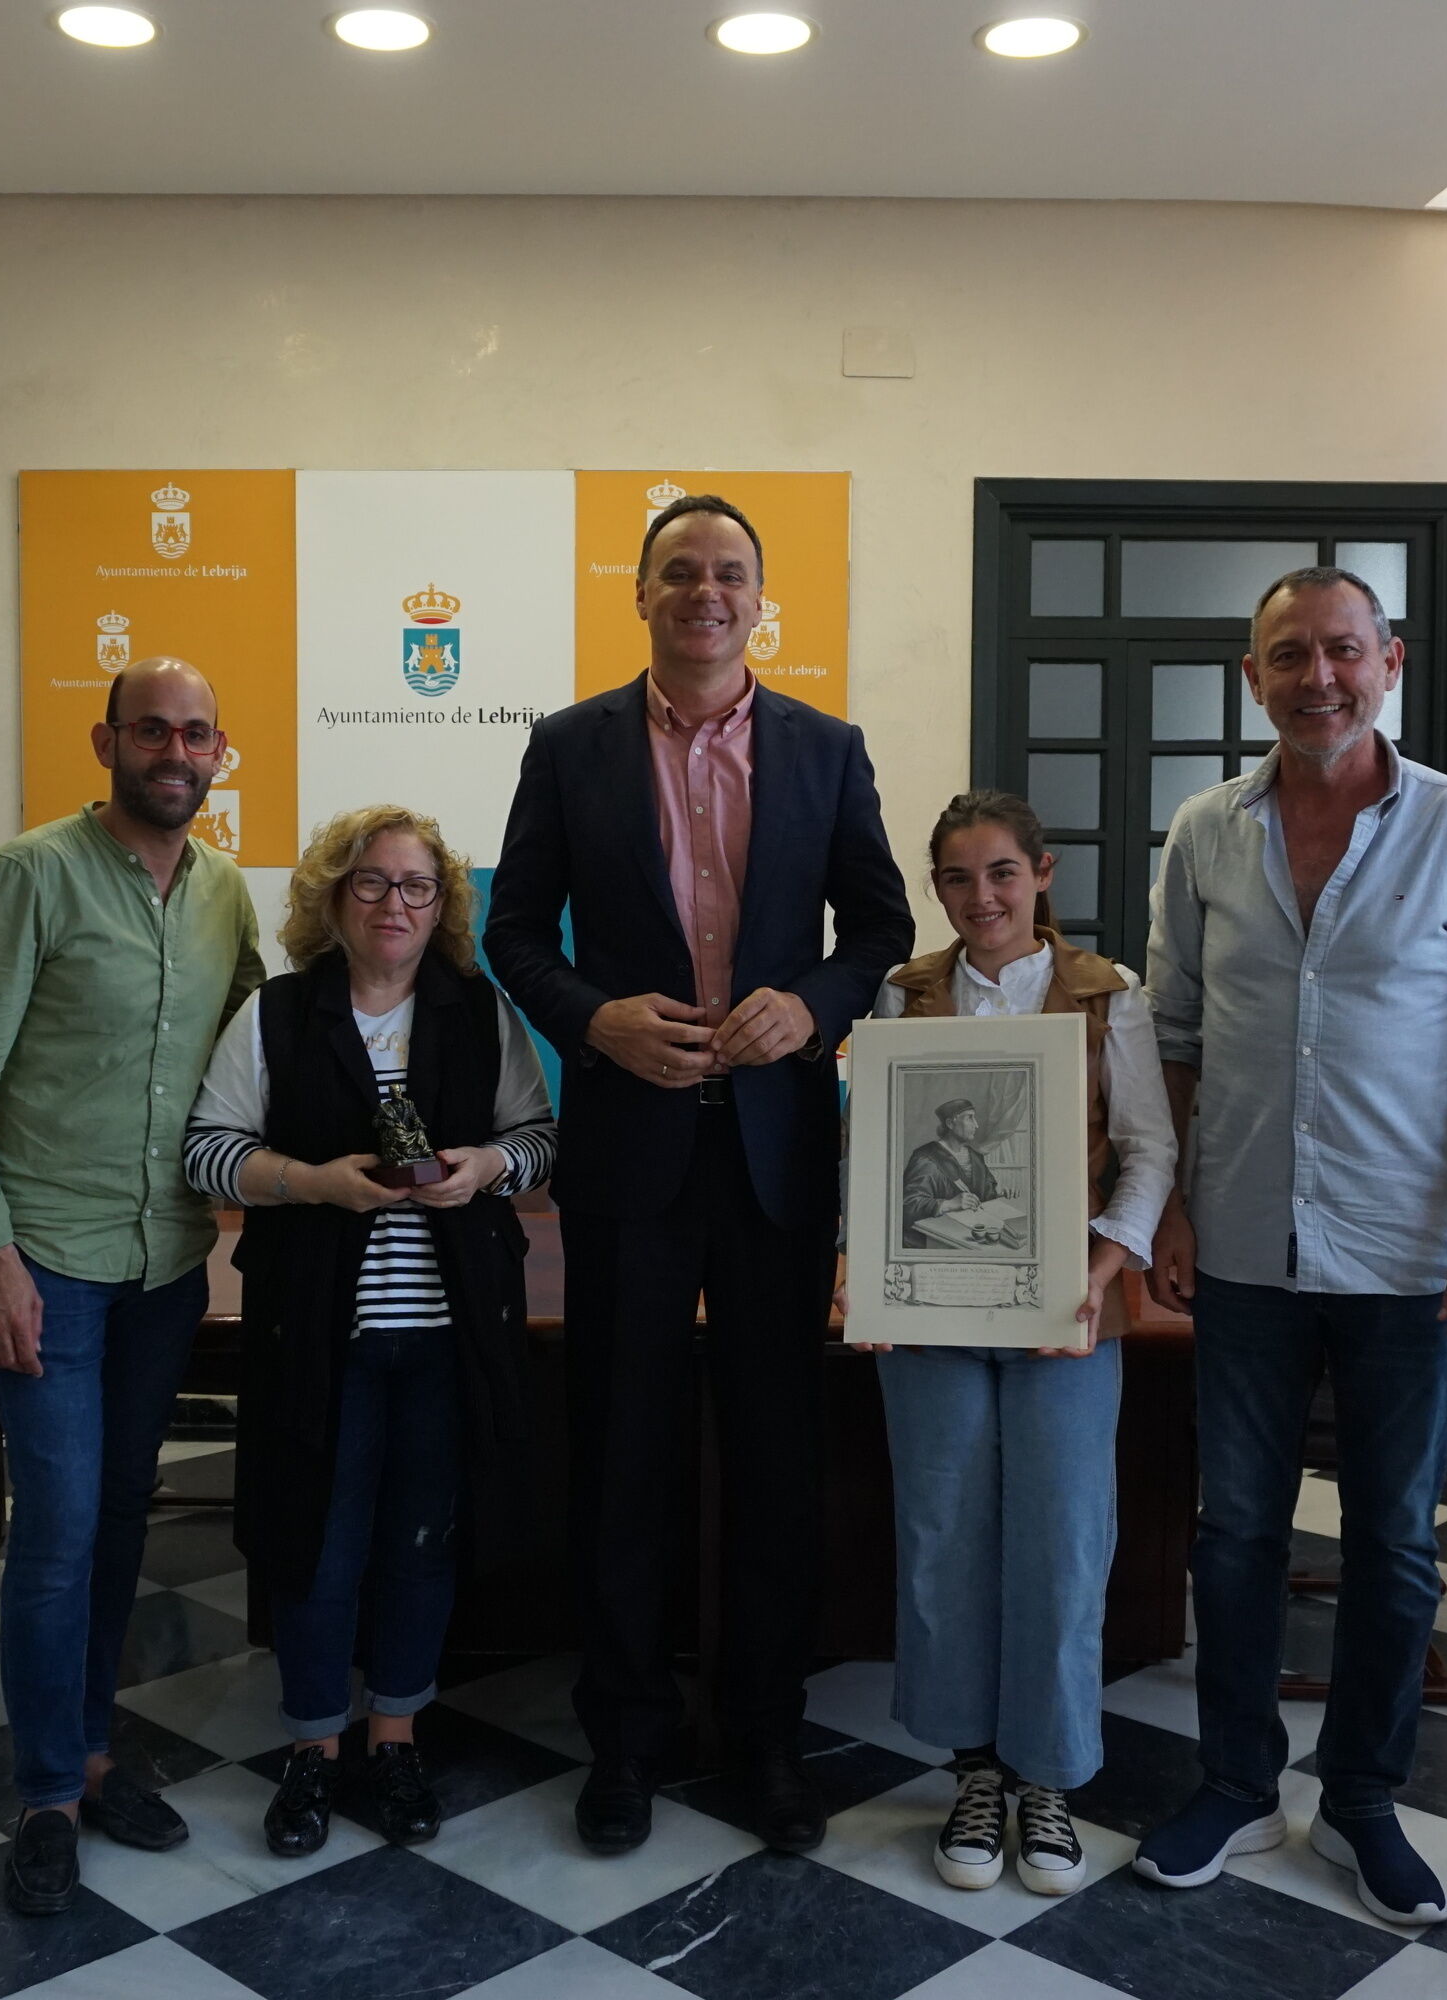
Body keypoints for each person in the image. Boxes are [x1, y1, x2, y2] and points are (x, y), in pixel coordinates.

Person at [1134, 569, 1447, 1926]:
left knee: (1393, 1542)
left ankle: (1364, 1797)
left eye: (1341, 651)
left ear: (1388, 662)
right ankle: (1236, 1783)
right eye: (1288, 655)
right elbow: (1173, 1035)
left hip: (1406, 1254)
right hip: (1246, 1245)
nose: (1316, 677)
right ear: (1252, 678)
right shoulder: (1205, 832)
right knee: (1235, 1534)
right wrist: (1173, 1206)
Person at [486, 493, 913, 1856]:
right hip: (632, 1149)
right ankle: (624, 1734)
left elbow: (881, 925)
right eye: (681, 571)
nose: (706, 592)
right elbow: (513, 930)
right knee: (623, 1448)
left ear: (759, 598)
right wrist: (593, 1019)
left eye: (730, 572)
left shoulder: (826, 748)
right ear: (642, 593)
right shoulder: (570, 746)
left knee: (780, 1452)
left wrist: (816, 1006)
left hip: (779, 1154)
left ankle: (767, 1732)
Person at [0, 657, 265, 1917]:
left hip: (165, 1260)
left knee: (120, 1514)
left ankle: (99, 1750)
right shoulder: (26, 877)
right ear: (107, 740)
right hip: (47, 1261)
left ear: (219, 752)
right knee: (58, 1530)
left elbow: (255, 1047)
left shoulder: (224, 891)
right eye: (152, 730)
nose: (176, 751)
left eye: (197, 734)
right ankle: (48, 1790)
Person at [182, 806, 554, 1857]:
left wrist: (486, 1167)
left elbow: (538, 1139)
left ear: (442, 906)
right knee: (316, 1542)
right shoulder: (277, 1013)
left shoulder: (477, 1010)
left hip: (447, 1334)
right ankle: (312, 1748)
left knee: (420, 1541)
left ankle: (394, 1739)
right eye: (374, 882)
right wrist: (312, 1183)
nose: (396, 903)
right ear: (335, 896)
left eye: (418, 886)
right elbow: (206, 1150)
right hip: (318, 1332)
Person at [850, 790, 1175, 1897]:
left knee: (1063, 1539)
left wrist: (1102, 1270)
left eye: (1000, 872)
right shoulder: (902, 993)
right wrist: (860, 1264)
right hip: (931, 1315)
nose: (980, 896)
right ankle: (975, 1771)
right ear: (937, 889)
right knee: (941, 1532)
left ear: (1041, 873)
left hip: (1068, 1316)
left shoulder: (1107, 992)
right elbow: (867, 1146)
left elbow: (1148, 1150)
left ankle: (1048, 1777)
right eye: (956, 877)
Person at [899, 1098, 1006, 1248]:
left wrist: (1000, 1195)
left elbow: (984, 1197)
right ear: (950, 1123)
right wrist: (948, 1204)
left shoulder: (975, 1157)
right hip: (935, 1242)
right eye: (969, 1118)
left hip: (973, 1238)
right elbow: (907, 1205)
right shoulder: (926, 1158)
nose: (976, 1125)